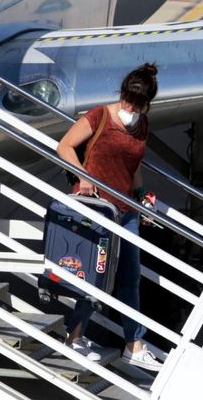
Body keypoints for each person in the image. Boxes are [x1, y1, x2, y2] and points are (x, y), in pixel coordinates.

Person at [55, 63, 162, 371]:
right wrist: (82, 174)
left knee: (130, 279)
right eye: (129, 100)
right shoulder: (99, 116)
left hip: (126, 211)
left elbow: (133, 166)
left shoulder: (142, 126)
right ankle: (74, 337)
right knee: (93, 276)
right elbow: (65, 146)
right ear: (123, 93)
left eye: (138, 105)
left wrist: (142, 199)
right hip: (97, 209)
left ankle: (134, 343)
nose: (131, 108)